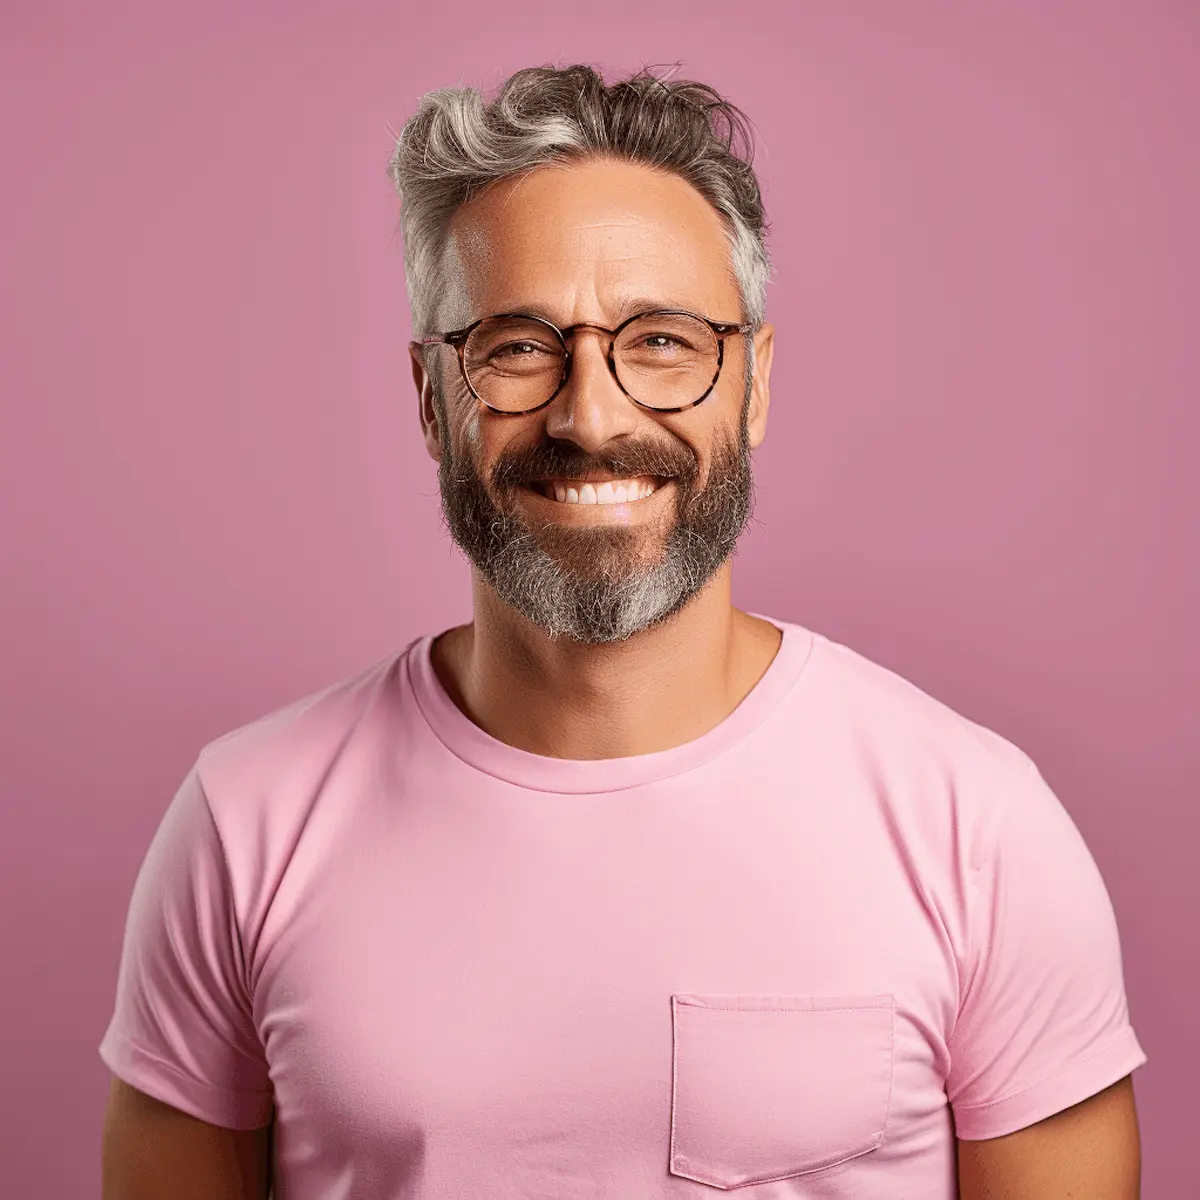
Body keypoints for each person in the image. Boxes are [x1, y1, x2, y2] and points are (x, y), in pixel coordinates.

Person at [100, 64, 1147, 1199]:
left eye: (660, 342)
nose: (590, 414)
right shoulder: (244, 825)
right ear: (426, 398)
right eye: (514, 345)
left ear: (753, 383)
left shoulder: (976, 829)